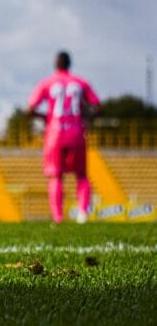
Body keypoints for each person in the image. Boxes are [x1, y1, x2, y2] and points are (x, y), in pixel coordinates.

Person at [28, 51, 100, 223]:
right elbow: (98, 106)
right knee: (81, 175)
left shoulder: (47, 83)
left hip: (55, 134)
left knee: (56, 176)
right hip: (76, 133)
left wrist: (45, 118)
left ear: (56, 64)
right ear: (69, 64)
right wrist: (86, 119)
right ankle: (83, 214)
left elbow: (30, 109)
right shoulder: (81, 82)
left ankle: (58, 217)